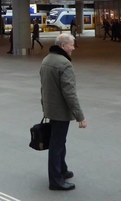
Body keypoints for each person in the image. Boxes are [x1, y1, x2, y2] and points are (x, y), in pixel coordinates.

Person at [40, 33, 87, 191]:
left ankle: (62, 169)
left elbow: (43, 87)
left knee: (59, 142)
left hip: (50, 108)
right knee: (57, 144)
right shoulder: (64, 64)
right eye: (72, 44)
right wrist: (80, 116)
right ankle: (56, 180)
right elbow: (70, 93)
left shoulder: (47, 60)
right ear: (63, 46)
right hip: (60, 111)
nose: (74, 47)